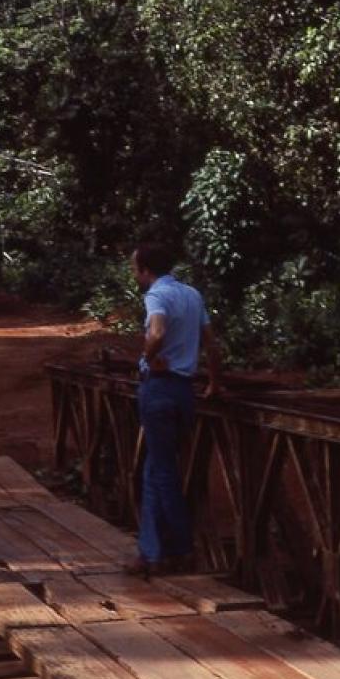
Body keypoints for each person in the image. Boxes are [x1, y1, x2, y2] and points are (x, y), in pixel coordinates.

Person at [128, 242, 222, 577]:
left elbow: (157, 332)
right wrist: (214, 382)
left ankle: (181, 548)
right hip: (184, 391)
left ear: (146, 270)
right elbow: (211, 343)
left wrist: (146, 359)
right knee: (156, 468)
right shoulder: (192, 294)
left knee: (162, 472)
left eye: (134, 268)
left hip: (159, 388)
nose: (134, 274)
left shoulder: (156, 295)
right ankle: (151, 553)